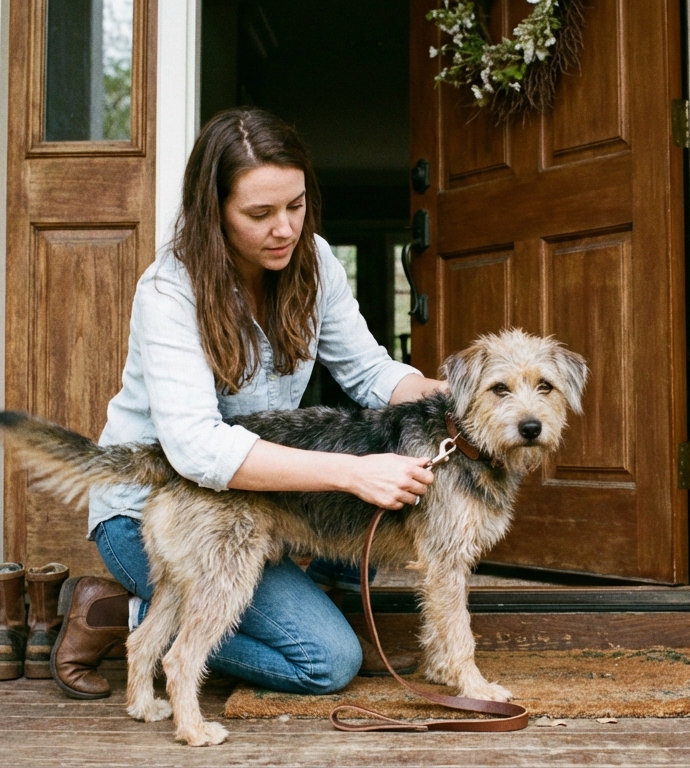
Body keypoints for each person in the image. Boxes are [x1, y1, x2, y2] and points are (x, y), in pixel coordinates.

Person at [50, 106, 449, 700]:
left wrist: (462, 397)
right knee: (326, 662)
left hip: (253, 507)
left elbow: (369, 373)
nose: (285, 229)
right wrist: (353, 473)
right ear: (214, 212)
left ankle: (317, 606)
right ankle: (120, 615)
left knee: (375, 457)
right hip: (154, 510)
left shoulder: (315, 261)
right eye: (260, 214)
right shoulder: (169, 291)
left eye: (296, 205)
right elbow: (196, 448)